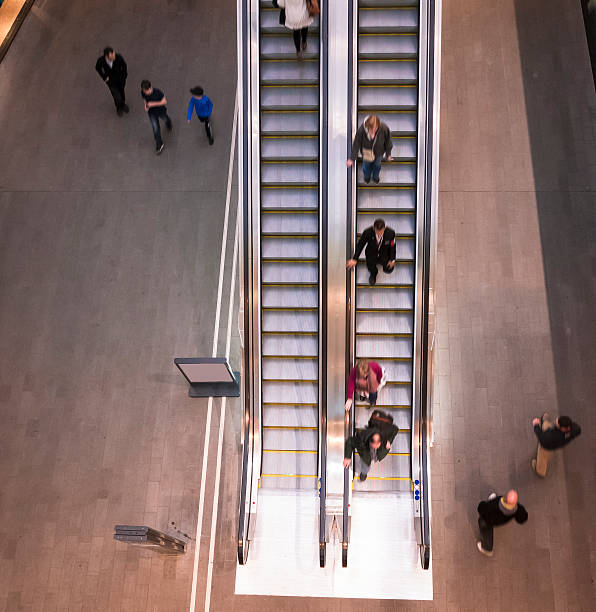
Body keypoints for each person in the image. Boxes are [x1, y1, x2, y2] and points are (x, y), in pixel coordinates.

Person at [476, 490, 528, 557]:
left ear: (505, 499)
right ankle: (492, 499)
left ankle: (487, 549)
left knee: (486, 530)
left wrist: (482, 504)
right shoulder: (517, 509)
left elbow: (481, 508)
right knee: (494, 501)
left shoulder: (494, 505)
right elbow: (522, 518)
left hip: (488, 520)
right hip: (501, 520)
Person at [346, 218, 396, 286]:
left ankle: (384, 266)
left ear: (384, 228)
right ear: (373, 228)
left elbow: (392, 246)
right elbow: (360, 245)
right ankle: (373, 274)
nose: (379, 235)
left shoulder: (391, 233)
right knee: (371, 267)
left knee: (388, 269)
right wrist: (355, 259)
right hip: (371, 254)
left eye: (381, 233)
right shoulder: (367, 232)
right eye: (377, 232)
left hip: (384, 254)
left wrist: (392, 259)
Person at [531, 413, 581, 477]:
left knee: (543, 456)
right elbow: (577, 431)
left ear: (563, 428)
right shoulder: (575, 428)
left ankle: (540, 471)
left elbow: (542, 438)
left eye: (557, 422)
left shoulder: (552, 436)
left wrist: (536, 425)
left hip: (548, 446)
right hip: (557, 441)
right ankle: (545, 422)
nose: (555, 421)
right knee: (549, 426)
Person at [346, 115, 392, 183]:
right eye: (371, 130)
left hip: (379, 153)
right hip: (367, 153)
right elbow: (356, 144)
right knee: (366, 166)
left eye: (375, 130)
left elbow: (388, 141)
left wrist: (388, 154)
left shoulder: (384, 128)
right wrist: (352, 159)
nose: (373, 133)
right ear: (367, 127)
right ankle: (367, 177)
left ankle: (375, 177)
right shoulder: (361, 130)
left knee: (377, 166)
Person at [140, 80, 172, 155]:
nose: (145, 93)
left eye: (146, 91)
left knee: (165, 118)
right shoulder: (143, 92)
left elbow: (164, 102)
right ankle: (159, 144)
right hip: (151, 113)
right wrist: (145, 105)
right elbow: (144, 99)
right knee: (155, 128)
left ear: (150, 88)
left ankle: (169, 123)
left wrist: (153, 104)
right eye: (144, 91)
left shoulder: (158, 92)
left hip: (160, 111)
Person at [95, 47, 129, 116]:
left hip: (120, 79)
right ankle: (118, 107)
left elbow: (124, 66)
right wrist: (104, 77)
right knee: (116, 95)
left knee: (122, 92)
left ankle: (123, 104)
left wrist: (124, 76)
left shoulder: (118, 57)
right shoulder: (101, 61)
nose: (114, 56)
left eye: (113, 54)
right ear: (107, 57)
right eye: (112, 56)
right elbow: (97, 68)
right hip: (110, 81)